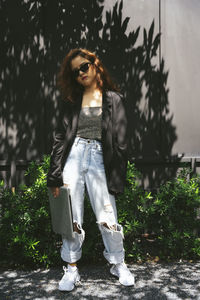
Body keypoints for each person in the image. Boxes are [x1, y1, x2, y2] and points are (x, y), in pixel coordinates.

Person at [47, 48, 135, 291]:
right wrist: (54, 175)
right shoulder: (71, 101)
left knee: (108, 215)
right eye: (76, 71)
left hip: (99, 158)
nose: (81, 73)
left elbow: (121, 141)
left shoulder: (113, 99)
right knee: (71, 216)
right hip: (74, 156)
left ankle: (118, 263)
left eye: (84, 66)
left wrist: (117, 176)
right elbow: (59, 137)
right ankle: (71, 268)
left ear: (95, 65)